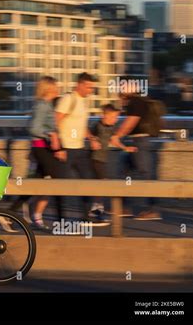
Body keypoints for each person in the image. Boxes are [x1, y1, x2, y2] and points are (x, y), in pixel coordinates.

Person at [55, 72, 106, 226]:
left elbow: (81, 126)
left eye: (92, 87)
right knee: (61, 185)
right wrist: (59, 147)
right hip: (66, 148)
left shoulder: (84, 102)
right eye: (88, 86)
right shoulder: (67, 99)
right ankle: (61, 221)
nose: (90, 90)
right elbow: (55, 122)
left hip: (79, 148)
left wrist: (91, 138)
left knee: (88, 180)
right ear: (79, 84)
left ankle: (85, 216)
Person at [110, 77, 162, 220]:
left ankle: (153, 210)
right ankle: (124, 207)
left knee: (147, 176)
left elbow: (131, 121)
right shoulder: (136, 101)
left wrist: (117, 135)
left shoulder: (136, 101)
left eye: (121, 86)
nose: (119, 89)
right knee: (125, 172)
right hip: (136, 142)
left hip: (141, 142)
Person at [27, 76, 65, 230]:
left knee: (39, 183)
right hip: (40, 148)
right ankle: (60, 222)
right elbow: (33, 128)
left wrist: (58, 147)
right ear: (48, 88)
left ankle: (14, 214)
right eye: (55, 86)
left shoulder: (48, 104)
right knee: (54, 182)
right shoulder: (42, 105)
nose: (58, 89)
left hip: (45, 148)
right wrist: (51, 134)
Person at [89, 104, 137, 219]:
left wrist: (125, 148)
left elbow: (114, 140)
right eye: (113, 117)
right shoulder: (97, 126)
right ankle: (95, 211)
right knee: (103, 184)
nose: (115, 120)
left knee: (101, 185)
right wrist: (93, 140)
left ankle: (97, 210)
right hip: (94, 159)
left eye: (116, 117)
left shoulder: (111, 127)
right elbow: (88, 134)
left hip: (102, 160)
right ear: (104, 116)